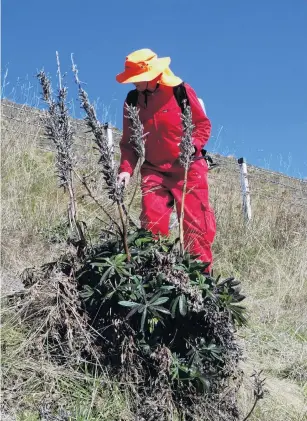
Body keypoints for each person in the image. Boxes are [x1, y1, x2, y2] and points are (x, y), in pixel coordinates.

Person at [116, 48, 216, 272]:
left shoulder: (180, 91)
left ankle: (201, 282)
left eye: (136, 79)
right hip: (153, 170)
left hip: (189, 170)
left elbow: (202, 125)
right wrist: (125, 170)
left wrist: (194, 146)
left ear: (151, 75)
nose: (133, 84)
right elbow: (129, 142)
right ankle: (155, 274)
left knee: (196, 229)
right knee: (151, 227)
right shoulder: (132, 101)